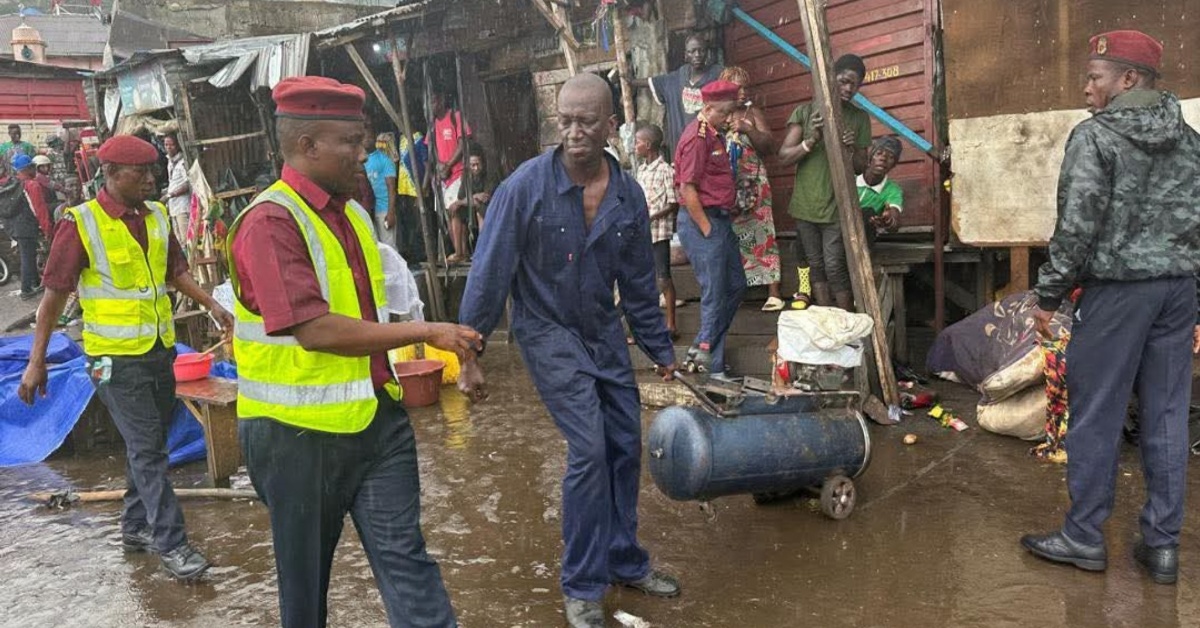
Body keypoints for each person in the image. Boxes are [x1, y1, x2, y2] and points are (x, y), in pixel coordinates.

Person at [227, 76, 480, 628]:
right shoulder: (270, 223)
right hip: (295, 437)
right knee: (306, 585)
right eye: (353, 142)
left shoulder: (351, 215)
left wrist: (449, 350)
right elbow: (313, 329)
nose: (364, 154)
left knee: (407, 562)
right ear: (307, 145)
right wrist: (430, 333)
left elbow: (385, 304)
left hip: (375, 421)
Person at [458, 73, 680, 628]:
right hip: (546, 331)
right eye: (565, 120)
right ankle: (582, 586)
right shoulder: (523, 188)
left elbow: (636, 285)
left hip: (602, 332)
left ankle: (623, 559)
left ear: (611, 125)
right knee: (590, 449)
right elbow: (489, 274)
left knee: (626, 442)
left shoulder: (627, 194)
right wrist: (468, 352)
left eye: (587, 121)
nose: (574, 132)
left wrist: (661, 350)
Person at [1020, 30, 1200, 587]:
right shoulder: (1191, 140)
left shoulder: (1094, 137)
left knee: (1096, 411)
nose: (1086, 87)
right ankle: (1161, 545)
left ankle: (1084, 535)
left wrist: (1048, 295)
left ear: (1128, 79)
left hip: (1118, 293)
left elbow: (1076, 227)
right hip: (1178, 292)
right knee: (1167, 415)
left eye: (1095, 76)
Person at [17, 135, 233, 580]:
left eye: (154, 171)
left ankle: (136, 528)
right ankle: (174, 545)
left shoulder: (154, 218)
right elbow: (53, 299)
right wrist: (36, 360)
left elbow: (175, 272)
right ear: (112, 175)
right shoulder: (81, 223)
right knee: (148, 450)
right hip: (109, 360)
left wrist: (211, 304)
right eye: (142, 173)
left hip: (157, 350)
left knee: (151, 445)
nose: (152, 180)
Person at [777, 54, 872, 311]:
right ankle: (825, 319)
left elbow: (862, 168)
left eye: (855, 85)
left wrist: (852, 148)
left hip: (836, 206)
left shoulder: (859, 119)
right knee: (815, 263)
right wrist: (811, 140)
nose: (849, 89)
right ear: (830, 79)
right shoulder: (806, 112)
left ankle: (844, 321)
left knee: (834, 264)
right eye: (843, 81)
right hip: (806, 204)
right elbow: (784, 157)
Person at [674, 80, 746, 378]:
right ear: (707, 108)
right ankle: (710, 366)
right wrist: (706, 229)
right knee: (715, 291)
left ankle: (702, 348)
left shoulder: (714, 133)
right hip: (702, 221)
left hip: (719, 219)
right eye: (725, 113)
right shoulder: (697, 137)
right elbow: (687, 188)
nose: (729, 118)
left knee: (736, 284)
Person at [720, 66, 783, 312]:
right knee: (733, 236)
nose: (742, 91)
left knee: (763, 232)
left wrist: (750, 130)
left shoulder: (752, 113)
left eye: (745, 86)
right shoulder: (718, 116)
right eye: (737, 87)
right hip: (729, 187)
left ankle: (774, 291)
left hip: (754, 182)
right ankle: (739, 290)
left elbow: (769, 146)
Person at [638, 34, 724, 154]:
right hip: (683, 147)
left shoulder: (717, 75)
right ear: (685, 55)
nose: (697, 55)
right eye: (692, 51)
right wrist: (630, 81)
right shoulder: (678, 78)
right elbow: (654, 81)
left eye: (701, 50)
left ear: (707, 53)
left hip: (709, 146)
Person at [633, 123, 680, 338]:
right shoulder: (641, 170)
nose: (634, 146)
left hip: (658, 232)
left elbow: (673, 203)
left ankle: (671, 324)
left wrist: (650, 217)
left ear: (649, 145)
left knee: (663, 277)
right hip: (642, 232)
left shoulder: (665, 170)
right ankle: (646, 327)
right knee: (644, 279)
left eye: (638, 142)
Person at [427, 90, 472, 263]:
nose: (431, 106)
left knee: (455, 212)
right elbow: (432, 150)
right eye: (429, 103)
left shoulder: (456, 117)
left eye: (433, 101)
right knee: (448, 214)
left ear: (442, 99)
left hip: (457, 172)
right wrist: (439, 166)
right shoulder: (432, 126)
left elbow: (463, 144)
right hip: (442, 177)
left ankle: (460, 252)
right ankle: (461, 252)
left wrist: (448, 165)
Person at [12, 154, 52, 299]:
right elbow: (39, 210)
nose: (35, 170)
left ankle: (35, 283)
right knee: (28, 257)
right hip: (28, 226)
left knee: (29, 254)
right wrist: (47, 229)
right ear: (28, 169)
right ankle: (26, 290)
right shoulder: (32, 185)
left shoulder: (16, 184)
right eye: (33, 167)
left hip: (16, 226)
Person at [856, 136, 904, 246]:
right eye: (879, 154)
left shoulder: (892, 190)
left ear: (894, 165)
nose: (883, 159)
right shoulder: (852, 178)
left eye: (891, 157)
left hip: (860, 241)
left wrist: (889, 221)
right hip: (834, 231)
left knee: (868, 213)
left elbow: (894, 216)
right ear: (870, 158)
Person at [365, 131, 399, 248]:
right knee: (374, 247)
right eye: (364, 137)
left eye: (369, 136)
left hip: (383, 210)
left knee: (389, 247)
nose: (366, 140)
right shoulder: (360, 161)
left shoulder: (384, 160)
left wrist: (391, 212)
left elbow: (391, 188)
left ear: (374, 139)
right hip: (367, 210)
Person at [448, 151, 497, 231]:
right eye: (473, 165)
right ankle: (459, 244)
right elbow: (461, 196)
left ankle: (483, 242)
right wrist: (474, 197)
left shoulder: (489, 176)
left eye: (478, 164)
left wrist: (463, 201)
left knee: (479, 212)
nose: (476, 168)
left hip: (488, 209)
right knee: (455, 212)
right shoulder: (467, 177)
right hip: (472, 208)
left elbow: (484, 198)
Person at [160, 135, 191, 247]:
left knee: (187, 240)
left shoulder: (183, 162)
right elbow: (173, 182)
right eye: (166, 145)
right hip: (174, 208)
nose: (169, 147)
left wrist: (170, 195)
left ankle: (193, 263)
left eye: (171, 145)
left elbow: (188, 184)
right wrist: (166, 191)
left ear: (177, 145)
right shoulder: (170, 162)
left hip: (182, 207)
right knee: (180, 241)